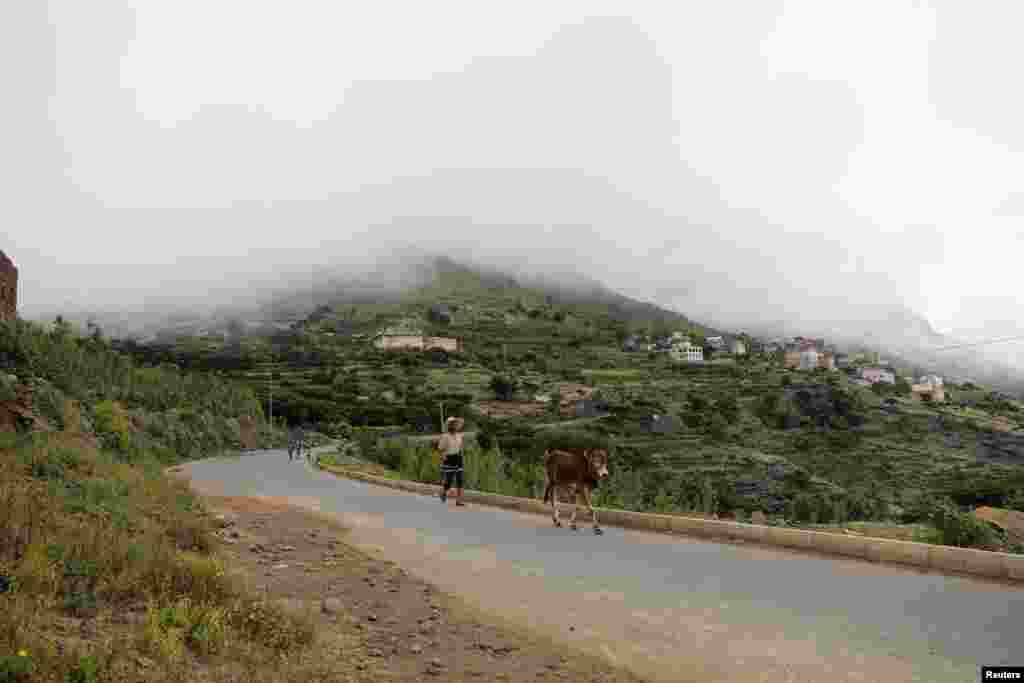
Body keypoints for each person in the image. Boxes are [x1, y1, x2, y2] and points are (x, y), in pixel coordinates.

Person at [434, 417, 466, 506]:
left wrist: (461, 455)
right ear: (450, 426)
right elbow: (440, 449)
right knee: (449, 481)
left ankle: (459, 500)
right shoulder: (445, 436)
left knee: (460, 480)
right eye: (454, 424)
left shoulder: (459, 436)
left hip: (458, 459)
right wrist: (442, 456)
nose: (457, 426)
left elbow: (460, 448)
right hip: (449, 459)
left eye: (457, 424)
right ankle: (443, 492)